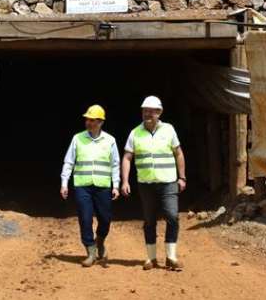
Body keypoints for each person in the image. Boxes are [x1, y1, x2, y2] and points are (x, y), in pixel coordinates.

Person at [121, 96, 186, 270]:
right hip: (146, 183)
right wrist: (125, 181)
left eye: (151, 111)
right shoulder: (135, 133)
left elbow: (178, 153)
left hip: (168, 182)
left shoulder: (169, 130)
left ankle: (171, 257)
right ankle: (151, 258)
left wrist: (182, 177)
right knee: (149, 220)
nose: (147, 114)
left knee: (172, 216)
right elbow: (127, 157)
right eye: (145, 111)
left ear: (159, 112)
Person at [60, 104, 121, 267]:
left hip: (103, 186)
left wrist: (116, 185)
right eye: (87, 119)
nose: (88, 123)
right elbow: (69, 161)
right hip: (83, 185)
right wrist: (64, 183)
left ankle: (99, 240)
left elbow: (115, 164)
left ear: (100, 122)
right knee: (85, 218)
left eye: (92, 120)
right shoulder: (77, 138)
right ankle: (91, 251)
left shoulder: (110, 140)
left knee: (105, 219)